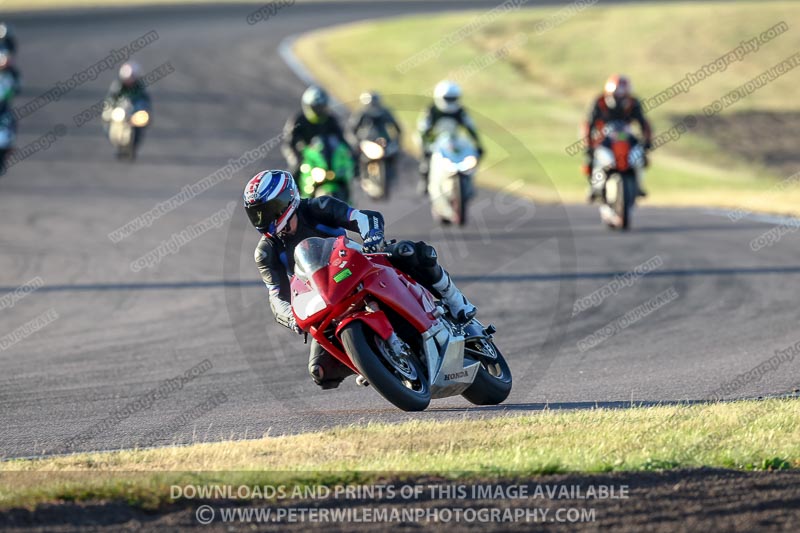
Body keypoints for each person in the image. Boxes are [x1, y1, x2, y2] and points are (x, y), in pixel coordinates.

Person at [244, 169, 477, 389]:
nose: (262, 218)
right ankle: (373, 362)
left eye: (268, 209)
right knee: (320, 372)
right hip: (325, 297)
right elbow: (277, 297)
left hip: (357, 265)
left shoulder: (319, 206)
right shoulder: (266, 252)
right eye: (256, 213)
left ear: (287, 198)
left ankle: (456, 301)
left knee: (412, 252)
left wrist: (372, 238)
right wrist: (292, 318)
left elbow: (364, 218)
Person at [583, 75, 652, 201]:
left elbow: (644, 124)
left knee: (641, 156)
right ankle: (594, 186)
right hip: (604, 137)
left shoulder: (633, 103)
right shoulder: (599, 102)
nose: (618, 100)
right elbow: (589, 124)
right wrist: (588, 144)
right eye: (615, 96)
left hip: (626, 138)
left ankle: (638, 185)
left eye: (622, 96)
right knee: (591, 158)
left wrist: (647, 142)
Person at [416, 80, 484, 195]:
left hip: (454, 139)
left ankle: (468, 183)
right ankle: (425, 181)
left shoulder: (460, 111)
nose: (450, 102)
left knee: (470, 157)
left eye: (452, 99)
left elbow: (470, 127)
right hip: (436, 139)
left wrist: (478, 144)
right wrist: (425, 144)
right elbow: (423, 129)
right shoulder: (432, 110)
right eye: (448, 99)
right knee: (426, 160)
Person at [282, 86, 355, 180]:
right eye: (316, 107)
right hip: (307, 157)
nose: (319, 111)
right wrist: (295, 156)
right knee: (294, 173)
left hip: (327, 155)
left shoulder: (330, 120)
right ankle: (292, 191)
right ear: (308, 106)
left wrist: (351, 153)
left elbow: (342, 138)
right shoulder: (298, 121)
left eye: (321, 107)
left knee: (348, 170)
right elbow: (289, 142)